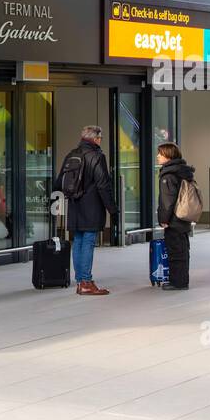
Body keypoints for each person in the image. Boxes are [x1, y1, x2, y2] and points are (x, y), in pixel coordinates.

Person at [54, 124, 119, 296]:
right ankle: (86, 282)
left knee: (78, 242)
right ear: (96, 139)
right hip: (92, 206)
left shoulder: (72, 154)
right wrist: (112, 209)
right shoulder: (96, 156)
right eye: (100, 138)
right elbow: (103, 185)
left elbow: (59, 180)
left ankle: (80, 281)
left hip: (75, 205)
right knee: (88, 242)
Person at [155, 143, 194, 291]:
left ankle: (178, 282)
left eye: (160, 153)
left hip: (174, 220)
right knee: (183, 250)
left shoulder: (168, 175)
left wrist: (164, 219)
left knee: (175, 251)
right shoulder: (182, 171)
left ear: (168, 155)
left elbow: (167, 201)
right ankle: (182, 280)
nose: (158, 156)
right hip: (183, 217)